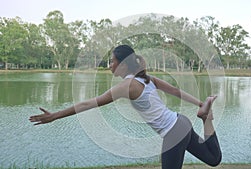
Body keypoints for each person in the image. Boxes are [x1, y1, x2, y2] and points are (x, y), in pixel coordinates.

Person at [29, 44, 222, 169]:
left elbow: (88, 103)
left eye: (111, 61)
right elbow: (174, 90)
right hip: (182, 122)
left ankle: (205, 116)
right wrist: (200, 103)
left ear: (122, 64)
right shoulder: (145, 78)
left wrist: (55, 116)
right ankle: (206, 118)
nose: (109, 65)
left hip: (173, 131)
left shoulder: (126, 86)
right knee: (214, 160)